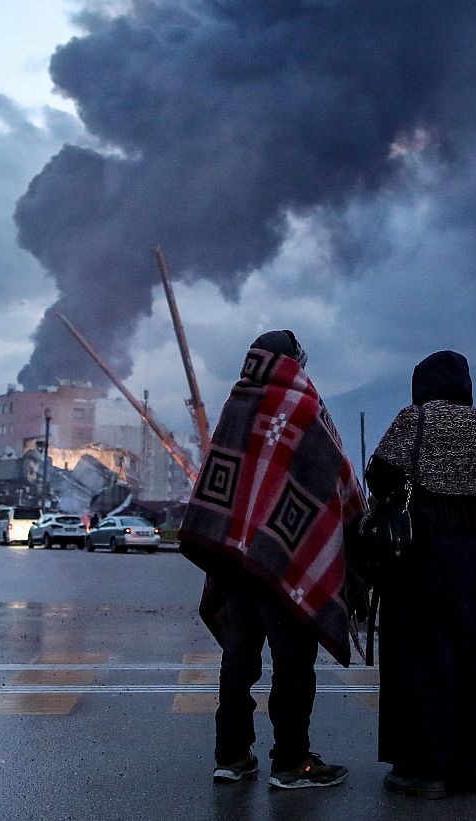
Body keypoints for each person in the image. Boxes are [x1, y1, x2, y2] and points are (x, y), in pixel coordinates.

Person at [179, 330, 365, 791]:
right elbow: (334, 478)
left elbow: (226, 479)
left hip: (236, 562)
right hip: (286, 558)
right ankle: (292, 762)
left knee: (238, 656)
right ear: (294, 362)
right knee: (292, 662)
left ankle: (232, 756)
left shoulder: (236, 404)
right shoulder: (304, 408)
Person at [365, 350, 476, 799]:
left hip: (418, 556)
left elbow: (379, 473)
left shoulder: (415, 419)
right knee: (469, 656)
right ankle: (466, 767)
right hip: (469, 557)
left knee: (419, 657)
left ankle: (424, 768)